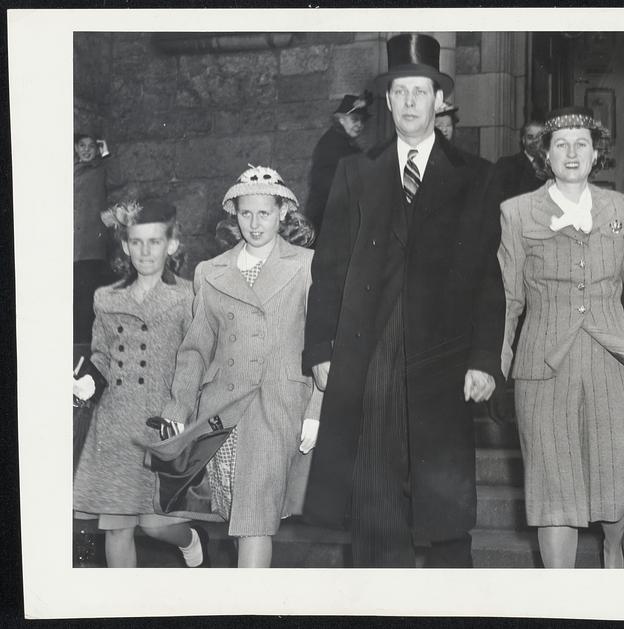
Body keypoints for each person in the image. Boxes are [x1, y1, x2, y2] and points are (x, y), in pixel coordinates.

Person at [302, 33, 505, 568]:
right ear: (387, 102)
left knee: (443, 507)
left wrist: (485, 359)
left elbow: (489, 278)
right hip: (371, 354)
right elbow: (329, 268)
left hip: (442, 357)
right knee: (373, 499)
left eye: (421, 92)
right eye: (400, 92)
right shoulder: (355, 171)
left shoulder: (475, 178)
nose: (411, 102)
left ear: (440, 102)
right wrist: (321, 347)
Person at [498, 106, 624, 568]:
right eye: (561, 144)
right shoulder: (517, 213)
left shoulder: (621, 208)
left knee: (615, 472)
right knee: (552, 482)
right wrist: (495, 361)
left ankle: (612, 550)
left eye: (582, 143)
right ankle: (561, 597)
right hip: (543, 367)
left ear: (596, 152)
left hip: (610, 361)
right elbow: (508, 297)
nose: (572, 152)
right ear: (546, 155)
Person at [160, 165, 322, 568]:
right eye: (245, 213)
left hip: (276, 406)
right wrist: (178, 408)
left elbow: (324, 344)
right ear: (234, 212)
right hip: (221, 413)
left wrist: (317, 410)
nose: (254, 223)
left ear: (283, 212)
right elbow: (195, 349)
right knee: (237, 515)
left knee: (254, 522)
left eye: (264, 213)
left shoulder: (307, 266)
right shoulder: (209, 271)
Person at [73, 198, 206, 568]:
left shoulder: (188, 296)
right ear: (125, 245)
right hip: (115, 423)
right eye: (136, 242)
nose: (145, 251)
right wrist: (88, 381)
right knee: (117, 528)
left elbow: (193, 359)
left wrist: (179, 409)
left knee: (156, 525)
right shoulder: (106, 297)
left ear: (172, 245)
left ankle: (192, 540)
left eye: (154, 242)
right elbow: (101, 354)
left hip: (164, 422)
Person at [304, 91, 372, 233]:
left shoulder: (342, 141)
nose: (360, 124)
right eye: (355, 119)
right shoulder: (335, 143)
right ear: (341, 119)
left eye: (362, 120)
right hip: (326, 218)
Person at [74, 132, 118, 344]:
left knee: (88, 295)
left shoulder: (101, 171)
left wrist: (105, 150)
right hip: (72, 246)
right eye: (81, 145)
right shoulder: (70, 172)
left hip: (92, 245)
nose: (86, 149)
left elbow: (118, 176)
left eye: (91, 145)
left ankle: (86, 345)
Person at [493, 120, 548, 203]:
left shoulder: (552, 166)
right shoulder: (506, 164)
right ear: (523, 140)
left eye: (539, 137)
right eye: (530, 137)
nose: (535, 141)